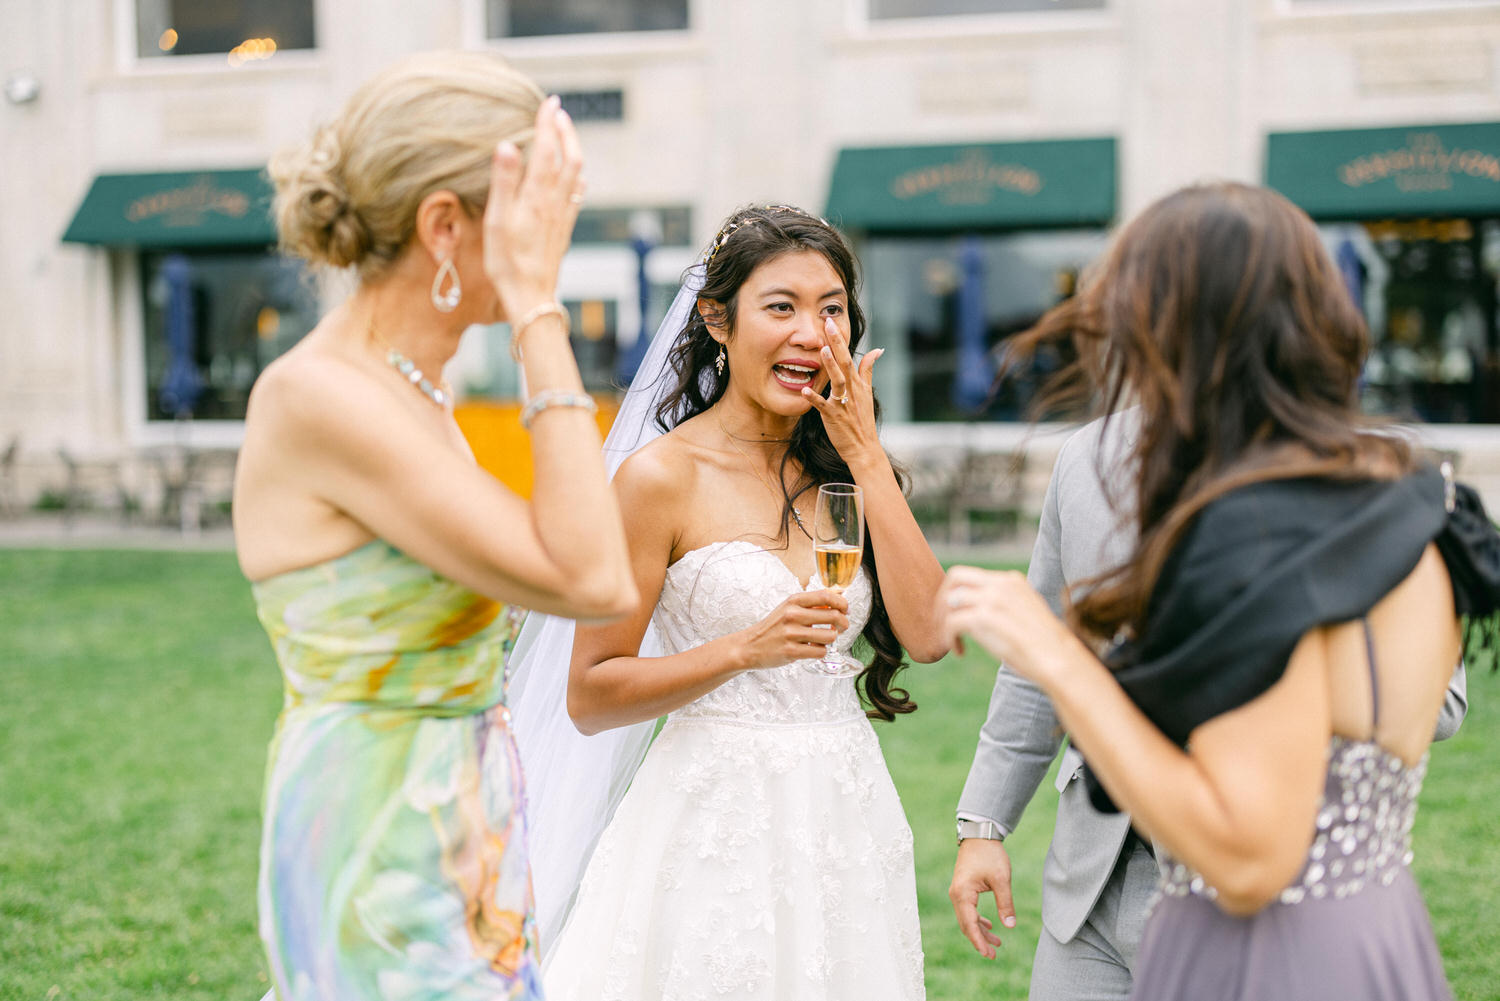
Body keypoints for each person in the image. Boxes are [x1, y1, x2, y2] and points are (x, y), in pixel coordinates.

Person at [937, 181, 1500, 1000]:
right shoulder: (1423, 510)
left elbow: (1248, 856)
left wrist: (1064, 659)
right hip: (1373, 936)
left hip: (1248, 946)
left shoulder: (1266, 540)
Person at [233, 52, 637, 1000]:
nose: (553, 241)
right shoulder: (321, 397)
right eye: (534, 212)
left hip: (460, 820)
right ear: (446, 225)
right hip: (375, 843)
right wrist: (538, 309)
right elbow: (592, 579)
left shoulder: (418, 388)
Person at [516, 205, 948, 1000]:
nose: (813, 334)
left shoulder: (845, 471)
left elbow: (927, 633)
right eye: (781, 306)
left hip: (845, 812)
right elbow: (590, 691)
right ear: (718, 319)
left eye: (832, 309)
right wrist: (744, 648)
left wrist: (867, 456)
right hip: (711, 823)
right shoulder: (659, 478)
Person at [948, 411, 1470, 1001]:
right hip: (1090, 883)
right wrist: (983, 824)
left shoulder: (1356, 488)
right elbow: (1035, 658)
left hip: (1260, 899)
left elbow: (1442, 701)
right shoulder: (1084, 456)